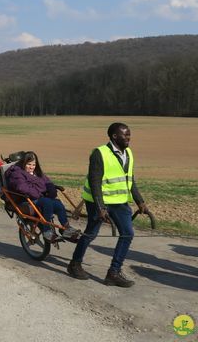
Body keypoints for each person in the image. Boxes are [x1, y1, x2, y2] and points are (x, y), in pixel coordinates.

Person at [67, 122, 149, 287]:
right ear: (114, 136)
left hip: (120, 203)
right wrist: (100, 207)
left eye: (129, 134)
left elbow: (129, 179)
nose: (129, 137)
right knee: (91, 233)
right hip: (99, 202)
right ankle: (74, 264)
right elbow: (95, 181)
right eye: (125, 134)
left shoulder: (129, 153)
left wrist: (140, 201)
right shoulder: (100, 153)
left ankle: (113, 272)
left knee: (127, 233)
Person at [6, 151, 79, 240]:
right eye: (29, 164)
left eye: (34, 164)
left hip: (39, 198)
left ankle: (65, 228)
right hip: (26, 200)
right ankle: (46, 231)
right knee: (47, 202)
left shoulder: (37, 173)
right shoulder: (17, 173)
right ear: (23, 163)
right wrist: (40, 193)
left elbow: (47, 182)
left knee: (58, 203)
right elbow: (22, 188)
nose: (32, 167)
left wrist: (51, 189)